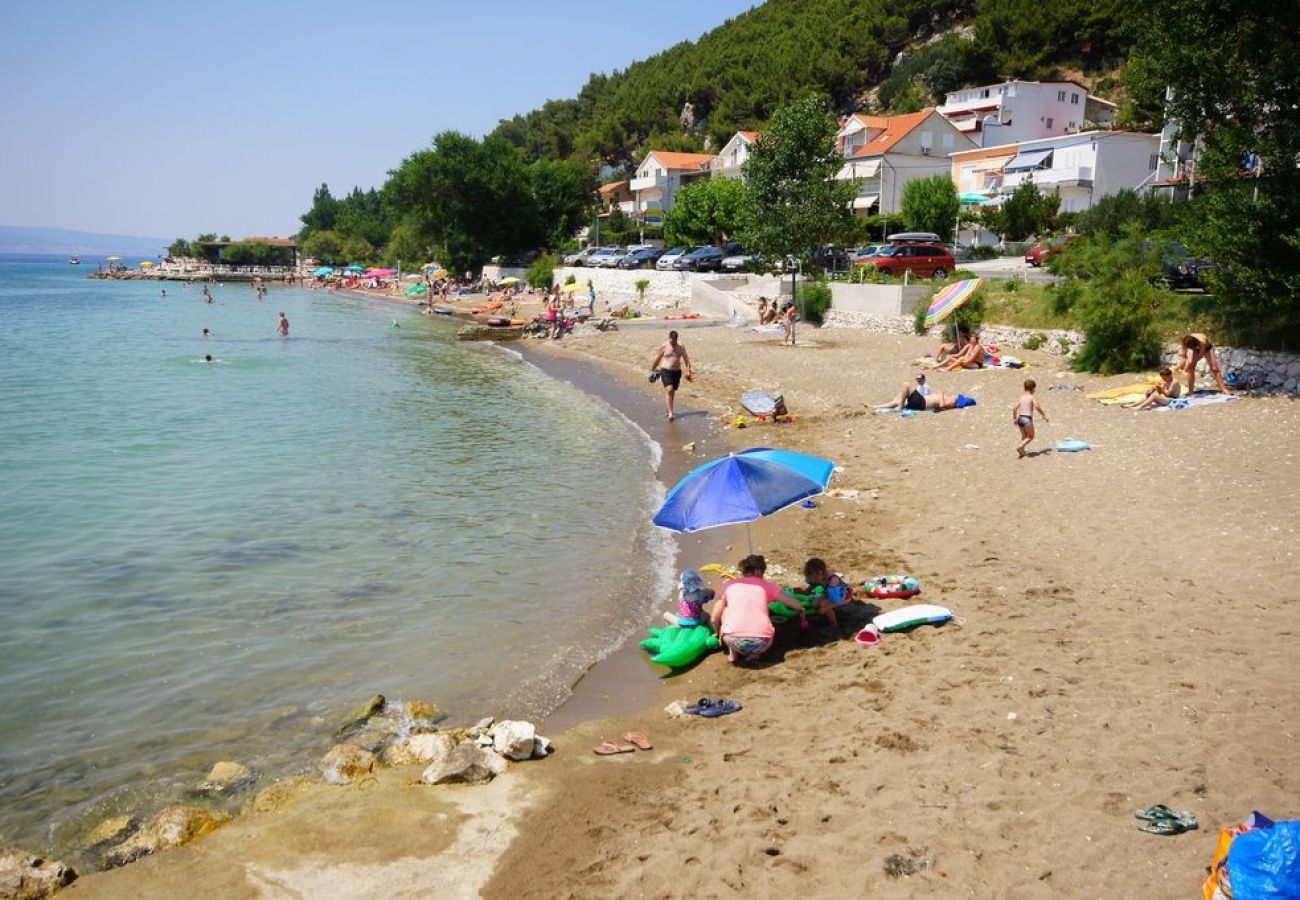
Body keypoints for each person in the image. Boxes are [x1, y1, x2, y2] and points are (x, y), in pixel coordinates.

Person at [710, 555, 795, 664]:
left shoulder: (729, 585)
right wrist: (801, 612)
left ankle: (733, 654)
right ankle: (755, 653)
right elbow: (794, 604)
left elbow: (713, 619)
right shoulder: (766, 585)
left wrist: (718, 634)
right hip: (763, 643)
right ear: (759, 571)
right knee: (762, 612)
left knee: (726, 609)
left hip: (734, 640)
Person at [649, 329, 693, 421]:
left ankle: (669, 408)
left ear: (676, 339)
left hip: (677, 372)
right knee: (670, 390)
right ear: (669, 338)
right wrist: (653, 369)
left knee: (673, 391)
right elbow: (658, 358)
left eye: (674, 342)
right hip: (665, 371)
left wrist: (688, 371)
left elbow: (686, 360)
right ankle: (670, 414)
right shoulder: (664, 346)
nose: (672, 343)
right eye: (671, 341)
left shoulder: (681, 346)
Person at [803, 558, 852, 629]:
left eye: (814, 578)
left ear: (820, 573)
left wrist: (821, 610)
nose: (813, 580)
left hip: (842, 595)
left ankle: (834, 625)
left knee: (824, 606)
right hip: (829, 593)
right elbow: (812, 584)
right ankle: (822, 615)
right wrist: (808, 590)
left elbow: (835, 599)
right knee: (814, 602)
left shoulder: (833, 581)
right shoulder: (818, 576)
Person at [875, 376, 961, 412]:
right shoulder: (948, 398)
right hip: (921, 401)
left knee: (906, 385)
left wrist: (941, 393)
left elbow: (942, 407)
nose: (955, 395)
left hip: (922, 403)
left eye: (956, 397)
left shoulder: (951, 401)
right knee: (898, 399)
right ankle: (875, 407)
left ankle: (900, 407)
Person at [1012, 378, 1049, 458]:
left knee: (1024, 436)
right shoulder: (1031, 397)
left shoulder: (1022, 397)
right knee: (1031, 436)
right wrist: (1043, 415)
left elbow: (1014, 408)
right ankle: (1020, 446)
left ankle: (1022, 451)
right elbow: (1037, 406)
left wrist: (1015, 418)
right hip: (1027, 418)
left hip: (1020, 418)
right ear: (1033, 388)